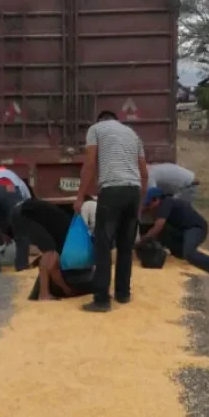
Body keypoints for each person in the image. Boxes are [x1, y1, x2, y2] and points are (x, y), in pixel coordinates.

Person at [74, 111, 148, 312]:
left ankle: (101, 300)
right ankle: (123, 294)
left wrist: (80, 196)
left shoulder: (96, 129)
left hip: (112, 191)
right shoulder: (133, 135)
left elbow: (90, 163)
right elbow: (144, 173)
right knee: (125, 245)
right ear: (116, 120)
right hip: (133, 191)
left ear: (100, 121)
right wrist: (139, 204)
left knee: (103, 244)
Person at [139, 187, 209, 279]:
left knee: (189, 253)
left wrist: (141, 240)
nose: (149, 208)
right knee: (180, 252)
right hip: (183, 231)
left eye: (149, 205)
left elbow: (158, 227)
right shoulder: (163, 204)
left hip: (195, 228)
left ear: (156, 200)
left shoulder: (166, 203)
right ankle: (180, 251)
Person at [10, 199, 95, 301]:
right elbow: (52, 268)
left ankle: (43, 293)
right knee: (49, 251)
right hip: (24, 214)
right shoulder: (68, 243)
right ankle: (44, 295)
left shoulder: (70, 233)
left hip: (21, 211)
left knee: (48, 251)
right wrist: (66, 288)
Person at [0, 167, 32, 273]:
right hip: (9, 188)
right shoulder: (19, 181)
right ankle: (22, 264)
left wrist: (2, 231)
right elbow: (26, 202)